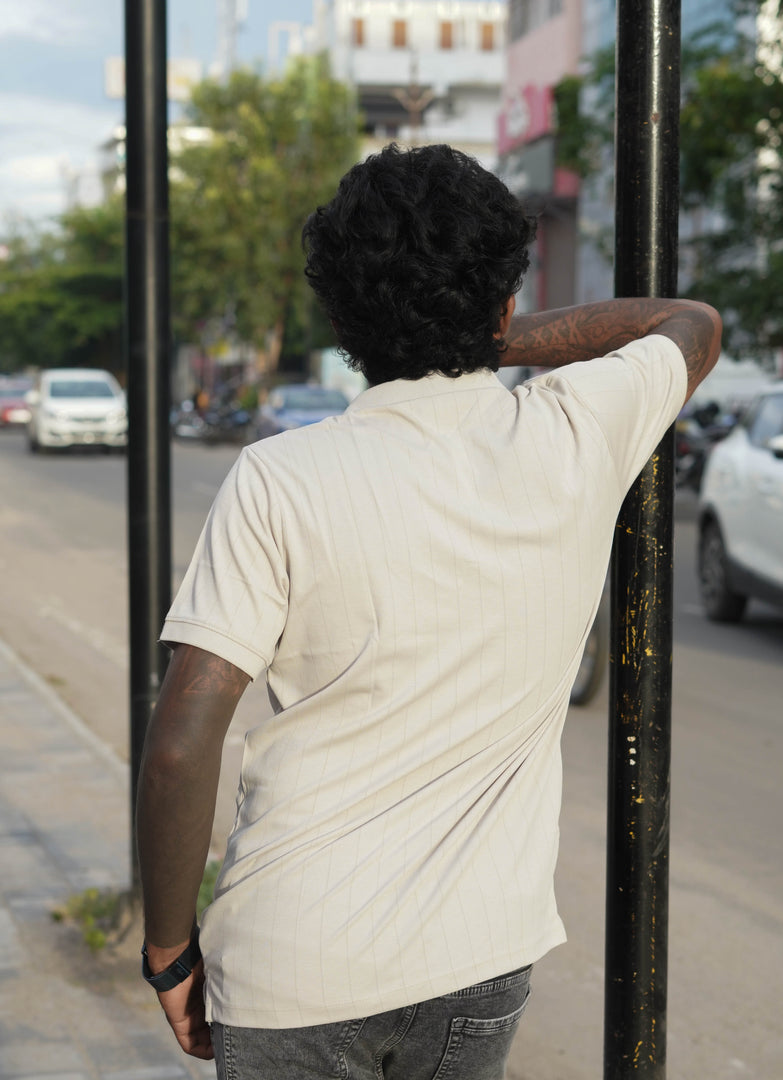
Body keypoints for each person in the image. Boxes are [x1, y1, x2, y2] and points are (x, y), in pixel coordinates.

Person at [136, 143, 722, 1077]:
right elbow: (686, 323)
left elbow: (178, 744)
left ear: (339, 315)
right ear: (503, 295)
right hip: (473, 957)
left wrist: (167, 949)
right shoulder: (575, 431)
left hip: (293, 956)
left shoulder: (280, 477)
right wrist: (487, 336)